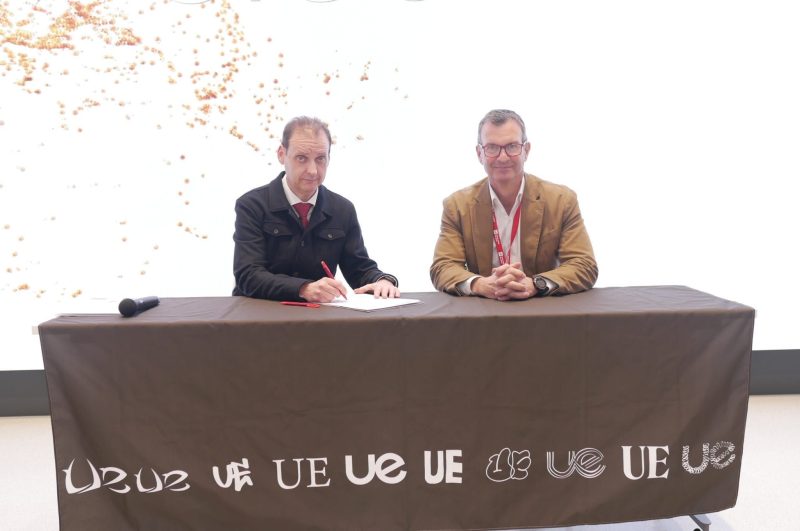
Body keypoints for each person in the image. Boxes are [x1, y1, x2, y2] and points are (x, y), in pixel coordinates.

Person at [430, 109, 597, 300]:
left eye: (512, 146)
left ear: (526, 150)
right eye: (492, 147)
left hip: (543, 309)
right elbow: (443, 267)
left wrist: (537, 284)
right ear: (479, 153)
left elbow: (584, 264)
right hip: (484, 310)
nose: (502, 157)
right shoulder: (457, 206)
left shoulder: (561, 200)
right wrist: (481, 284)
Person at [233, 116, 399, 302]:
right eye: (301, 158)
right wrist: (303, 288)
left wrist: (382, 281)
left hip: (317, 316)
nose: (312, 170)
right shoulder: (252, 205)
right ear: (281, 154)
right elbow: (248, 275)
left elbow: (358, 268)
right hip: (259, 314)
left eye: (320, 159)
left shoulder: (342, 209)